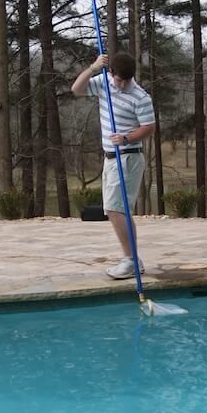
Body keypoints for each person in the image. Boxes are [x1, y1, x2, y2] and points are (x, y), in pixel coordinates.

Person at [71, 52, 156, 279]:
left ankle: (131, 261)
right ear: (111, 73)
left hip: (128, 156)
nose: (122, 84)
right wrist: (93, 67)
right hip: (111, 157)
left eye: (126, 80)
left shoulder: (140, 96)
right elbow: (76, 89)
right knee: (113, 209)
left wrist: (127, 137)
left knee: (118, 210)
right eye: (119, 79)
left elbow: (149, 127)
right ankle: (131, 259)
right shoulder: (104, 83)